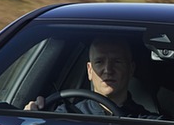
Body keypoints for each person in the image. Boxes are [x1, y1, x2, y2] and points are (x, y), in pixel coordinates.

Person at [25, 37, 154, 117]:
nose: (108, 70)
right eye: (99, 62)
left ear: (131, 69)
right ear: (90, 70)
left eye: (117, 62)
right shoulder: (66, 115)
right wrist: (29, 118)